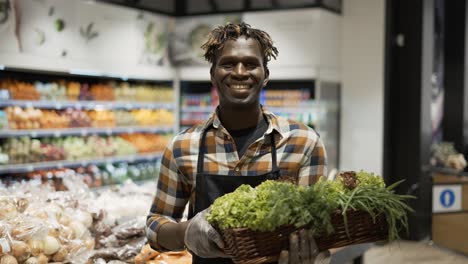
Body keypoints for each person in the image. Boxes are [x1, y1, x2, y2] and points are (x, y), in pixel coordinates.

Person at [146, 22, 329, 264]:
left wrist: (314, 252)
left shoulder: (303, 143)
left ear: (265, 76)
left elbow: (320, 226)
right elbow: (156, 224)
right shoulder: (183, 147)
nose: (240, 72)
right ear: (213, 75)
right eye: (228, 63)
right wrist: (186, 232)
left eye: (251, 64)